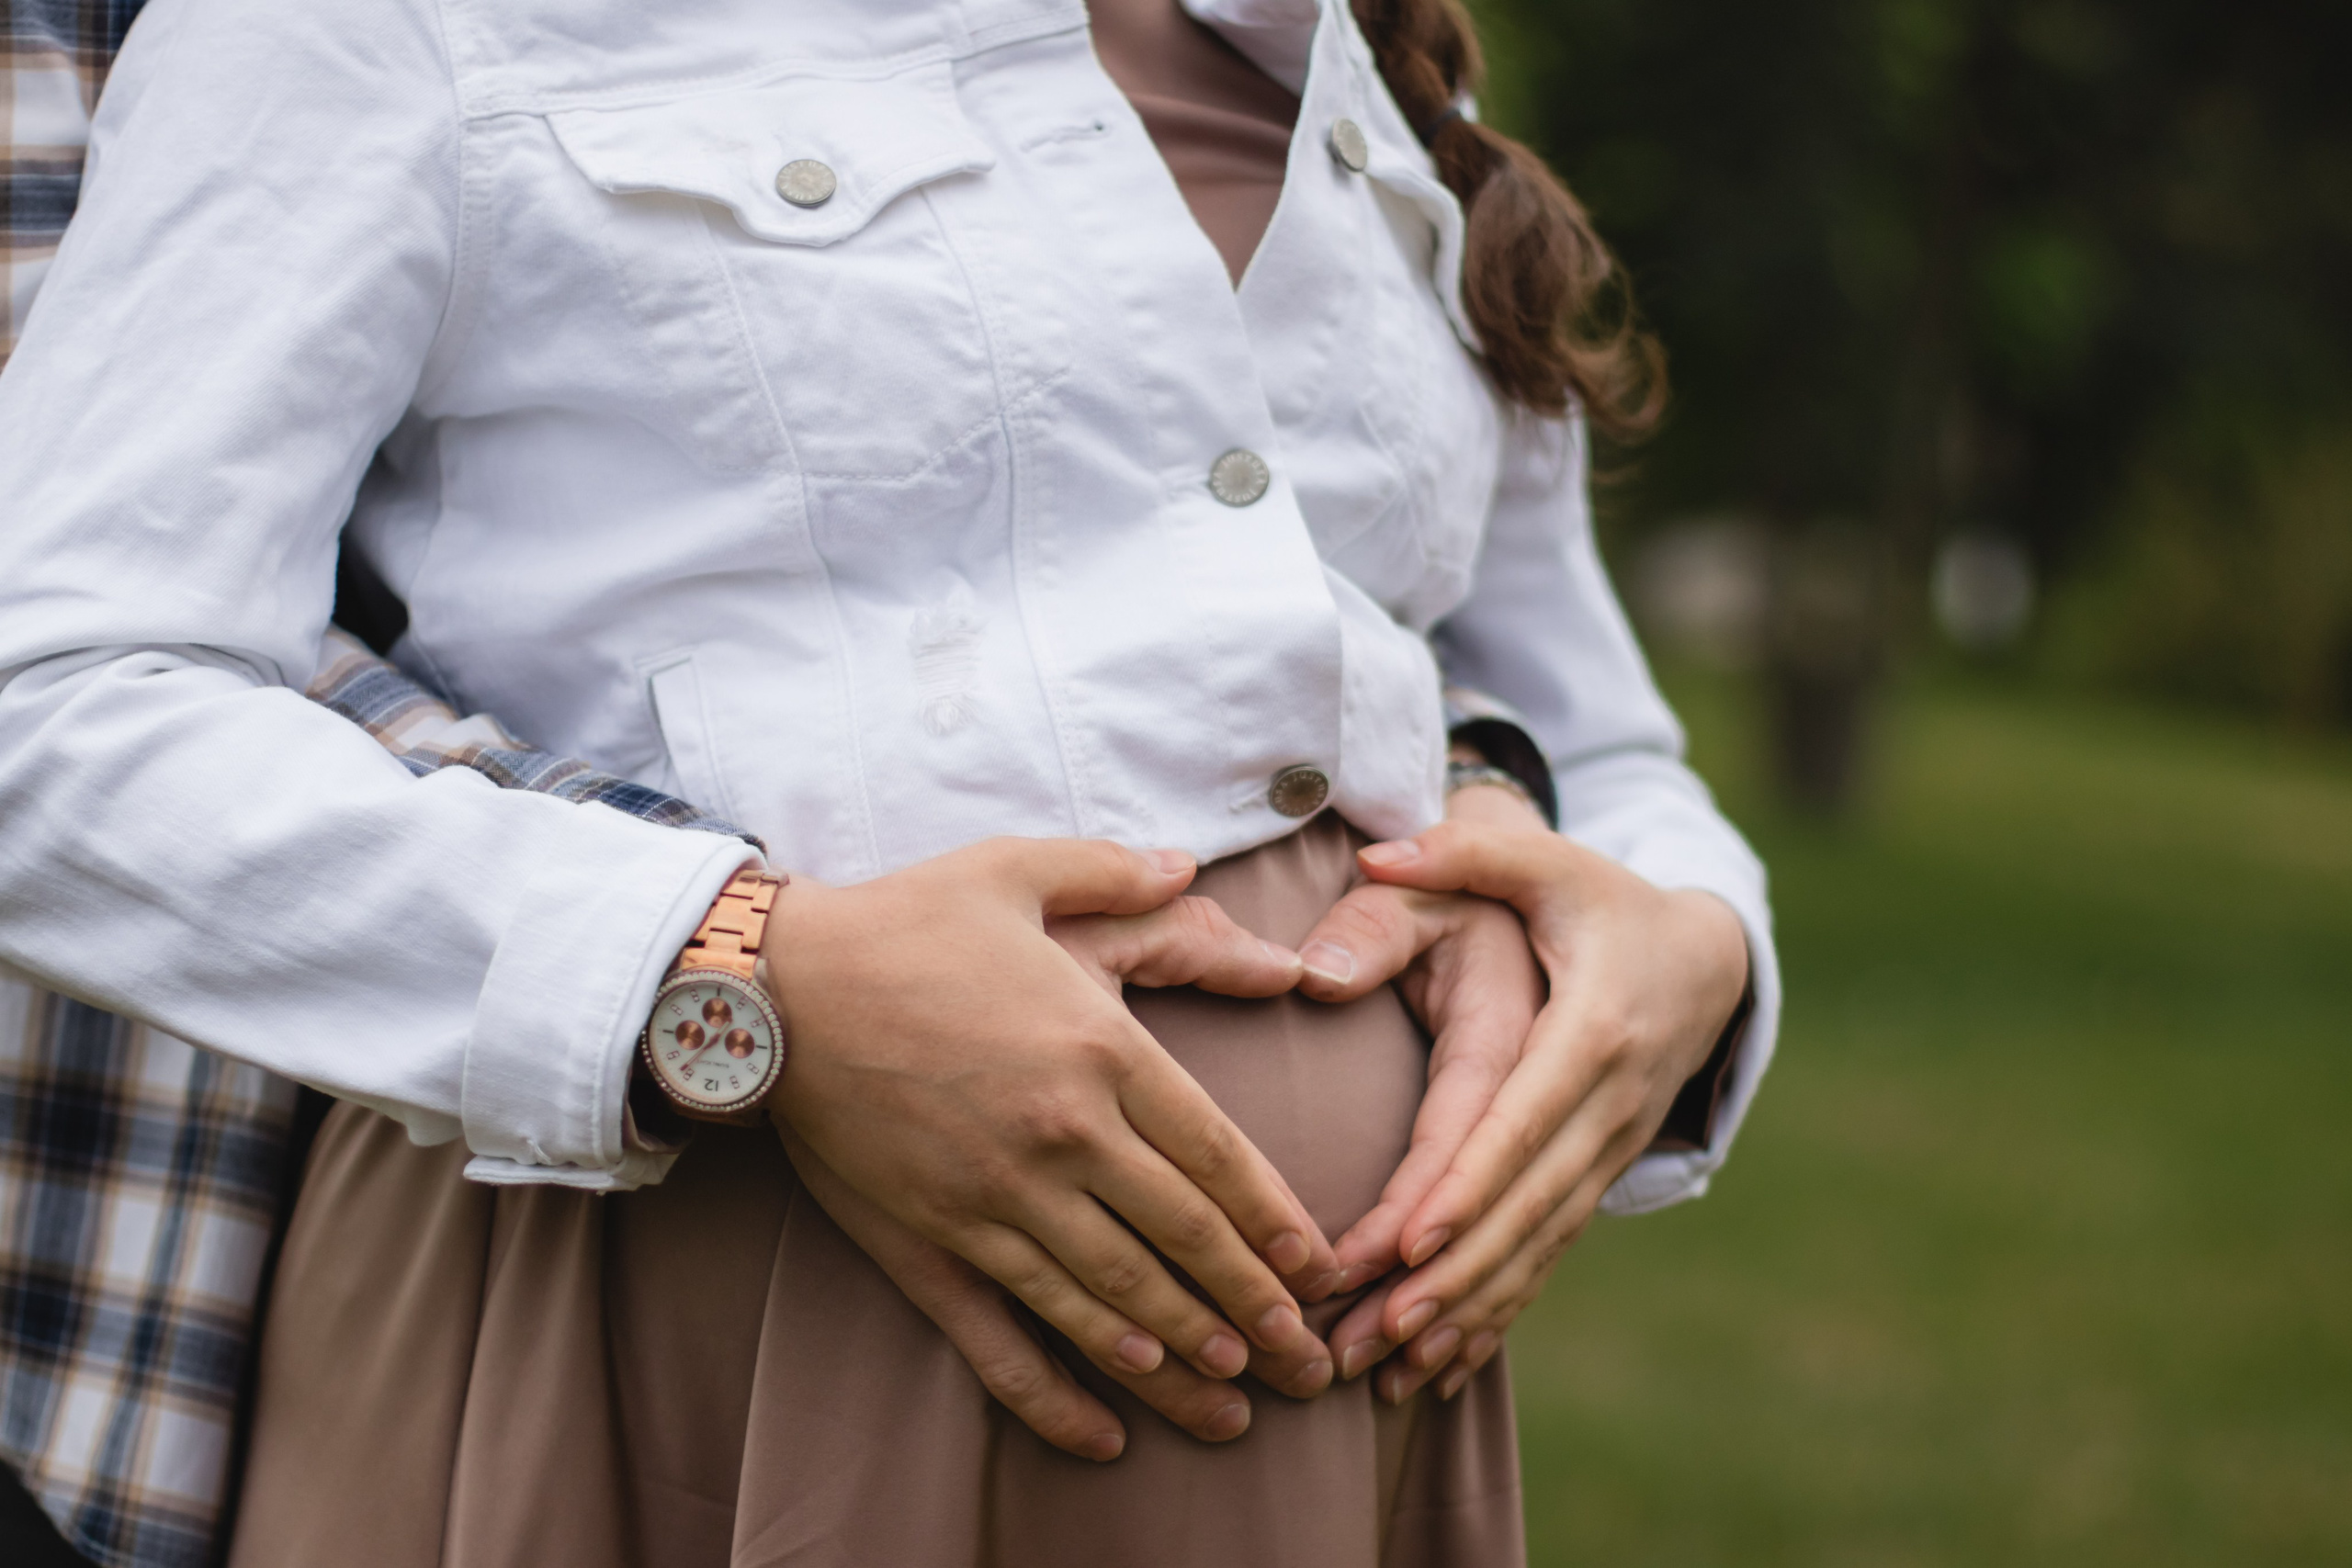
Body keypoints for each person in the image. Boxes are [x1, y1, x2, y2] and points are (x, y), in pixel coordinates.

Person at [0, 0, 1778, 1562]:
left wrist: (1686, 945)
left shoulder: (1342, 76)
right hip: (685, 1312)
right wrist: (736, 972)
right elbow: (56, 705)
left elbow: (1578, 721)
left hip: (1340, 1399)